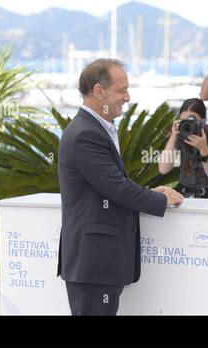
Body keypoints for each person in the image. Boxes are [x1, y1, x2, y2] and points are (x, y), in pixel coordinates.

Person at [57, 58, 184, 315]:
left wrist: (150, 193)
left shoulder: (94, 128)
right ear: (99, 91)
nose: (128, 97)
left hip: (98, 262)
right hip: (93, 262)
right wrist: (162, 199)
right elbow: (116, 188)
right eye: (122, 90)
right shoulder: (85, 134)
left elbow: (111, 183)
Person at [158, 98, 208, 198]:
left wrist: (204, 149)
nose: (188, 126)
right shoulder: (180, 134)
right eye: (184, 121)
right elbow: (163, 169)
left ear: (204, 120)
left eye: (193, 121)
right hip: (185, 191)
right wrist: (174, 135)